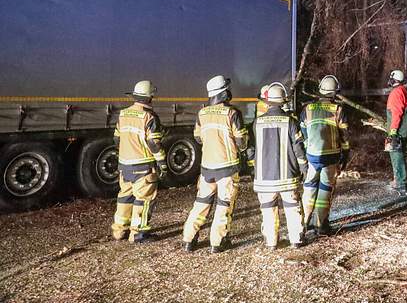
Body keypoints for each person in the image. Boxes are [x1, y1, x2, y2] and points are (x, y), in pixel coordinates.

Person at [181, 75, 247, 253]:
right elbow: (241, 141)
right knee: (224, 204)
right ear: (224, 92)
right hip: (227, 167)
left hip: (207, 168)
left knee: (201, 202)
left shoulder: (202, 113)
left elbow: (197, 137)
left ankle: (188, 239)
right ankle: (217, 242)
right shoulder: (232, 113)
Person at [248, 82, 307, 250]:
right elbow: (298, 149)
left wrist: (253, 169)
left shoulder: (256, 123)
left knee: (268, 210)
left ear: (267, 102)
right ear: (283, 102)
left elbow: (250, 151)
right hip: (288, 177)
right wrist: (303, 168)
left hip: (264, 178)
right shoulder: (291, 122)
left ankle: (271, 242)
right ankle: (296, 240)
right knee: (292, 207)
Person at [111, 80, 167, 243]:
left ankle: (119, 230)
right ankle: (138, 233)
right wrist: (162, 162)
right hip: (143, 166)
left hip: (124, 165)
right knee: (144, 199)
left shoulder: (123, 114)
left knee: (125, 197)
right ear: (150, 97)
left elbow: (117, 139)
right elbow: (153, 143)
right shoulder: (149, 116)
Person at [300, 75, 350, 235]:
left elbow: (303, 133)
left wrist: (306, 152)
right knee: (325, 188)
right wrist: (345, 154)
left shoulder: (307, 109)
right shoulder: (338, 110)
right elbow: (344, 136)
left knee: (309, 186)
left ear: (320, 90)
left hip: (312, 155)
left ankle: (304, 222)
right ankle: (320, 225)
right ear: (335, 92)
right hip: (331, 156)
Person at [385, 69, 407, 195]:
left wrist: (393, 131)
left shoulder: (396, 92)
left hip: (398, 131)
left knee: (396, 155)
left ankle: (400, 183)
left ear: (394, 79)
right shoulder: (404, 90)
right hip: (403, 129)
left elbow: (396, 113)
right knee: (399, 155)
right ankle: (399, 180)